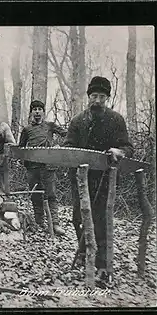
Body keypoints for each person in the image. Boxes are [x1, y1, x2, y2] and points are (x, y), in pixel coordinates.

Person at [63, 76, 134, 279]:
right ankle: (85, 253)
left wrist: (119, 151)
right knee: (79, 217)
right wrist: (76, 155)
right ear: (88, 97)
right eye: (94, 95)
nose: (97, 100)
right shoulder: (78, 121)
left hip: (105, 179)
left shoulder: (116, 120)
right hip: (81, 179)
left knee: (101, 220)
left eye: (102, 96)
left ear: (107, 98)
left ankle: (102, 263)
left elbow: (128, 148)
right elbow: (67, 146)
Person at [18, 100, 67, 236]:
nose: (37, 111)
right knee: (35, 195)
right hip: (32, 167)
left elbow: (67, 135)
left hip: (48, 166)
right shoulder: (27, 129)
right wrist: (25, 159)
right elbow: (21, 148)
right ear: (31, 112)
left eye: (40, 109)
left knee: (51, 194)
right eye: (35, 109)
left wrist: (58, 147)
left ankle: (55, 224)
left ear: (43, 112)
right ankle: (39, 222)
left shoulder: (50, 126)